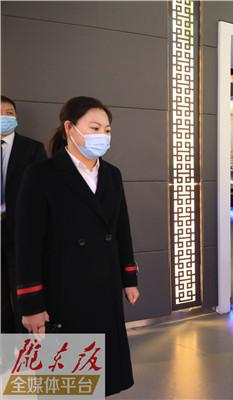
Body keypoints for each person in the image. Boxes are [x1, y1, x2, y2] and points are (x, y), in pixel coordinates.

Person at [15, 96, 140, 396]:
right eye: (94, 128)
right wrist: (31, 305)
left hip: (105, 284)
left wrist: (129, 278)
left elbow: (122, 229)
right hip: (63, 288)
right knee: (69, 381)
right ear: (69, 128)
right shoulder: (42, 174)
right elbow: (27, 243)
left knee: (104, 375)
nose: (102, 136)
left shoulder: (112, 174)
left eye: (107, 130)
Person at [0, 95, 47, 333]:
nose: (4, 117)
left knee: (23, 295)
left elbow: (44, 193)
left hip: (20, 231)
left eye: (9, 113)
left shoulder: (32, 149)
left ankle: (25, 346)